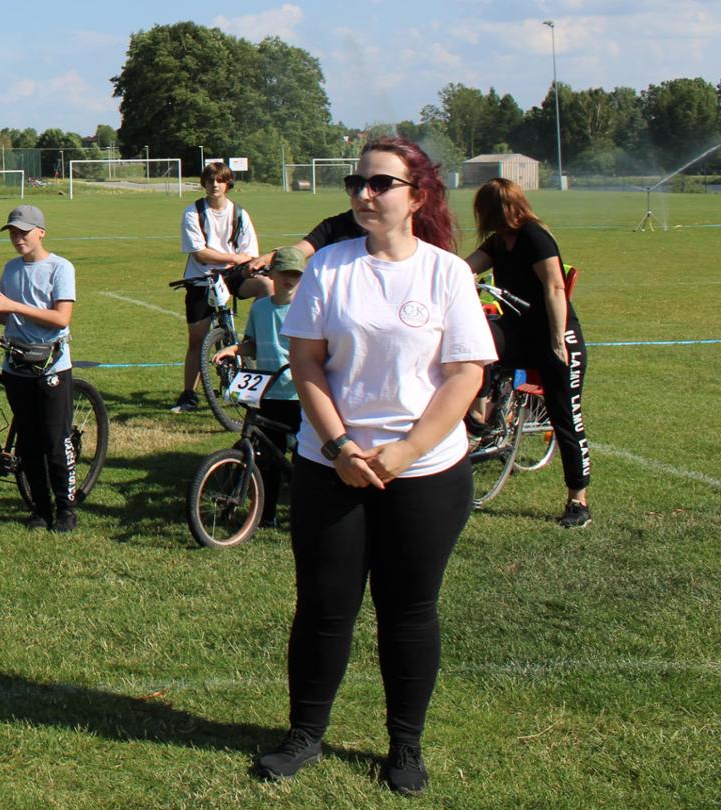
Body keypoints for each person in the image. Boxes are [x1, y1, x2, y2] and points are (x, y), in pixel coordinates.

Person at [255, 136, 494, 796]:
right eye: (356, 183)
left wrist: (405, 452)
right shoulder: (328, 268)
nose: (363, 194)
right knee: (325, 607)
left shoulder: (447, 273)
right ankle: (305, 735)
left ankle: (405, 747)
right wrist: (338, 447)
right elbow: (305, 363)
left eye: (380, 184)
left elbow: (465, 373)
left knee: (409, 611)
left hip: (425, 474)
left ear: (415, 197)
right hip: (331, 466)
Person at [464, 178, 592, 528]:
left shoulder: (535, 236)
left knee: (566, 417)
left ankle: (578, 500)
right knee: (480, 342)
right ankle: (479, 416)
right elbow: (463, 268)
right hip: (520, 334)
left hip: (556, 336)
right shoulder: (498, 244)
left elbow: (554, 288)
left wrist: (556, 342)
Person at [0, 203, 78, 531]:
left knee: (55, 441)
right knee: (28, 442)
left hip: (51, 368)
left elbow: (61, 317)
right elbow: (2, 315)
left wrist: (13, 305)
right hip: (17, 365)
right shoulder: (11, 269)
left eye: (23, 232)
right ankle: (41, 508)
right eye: (12, 232)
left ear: (41, 232)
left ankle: (66, 509)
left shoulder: (60, 268)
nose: (17, 238)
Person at [173, 161, 257, 414]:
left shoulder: (239, 214)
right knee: (197, 340)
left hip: (232, 276)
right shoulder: (194, 212)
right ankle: (189, 394)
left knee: (266, 287)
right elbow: (200, 254)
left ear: (228, 184)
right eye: (210, 181)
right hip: (202, 279)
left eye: (220, 180)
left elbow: (250, 253)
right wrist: (234, 258)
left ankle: (258, 342)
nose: (215, 185)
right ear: (204, 184)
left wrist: (238, 262)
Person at [230, 248, 306, 526]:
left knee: (303, 459)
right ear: (271, 274)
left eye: (295, 275)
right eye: (284, 273)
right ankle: (266, 513)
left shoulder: (308, 309)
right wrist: (235, 349)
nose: (289, 279)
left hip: (300, 395)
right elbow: (252, 343)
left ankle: (303, 512)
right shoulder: (261, 308)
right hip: (270, 393)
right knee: (268, 460)